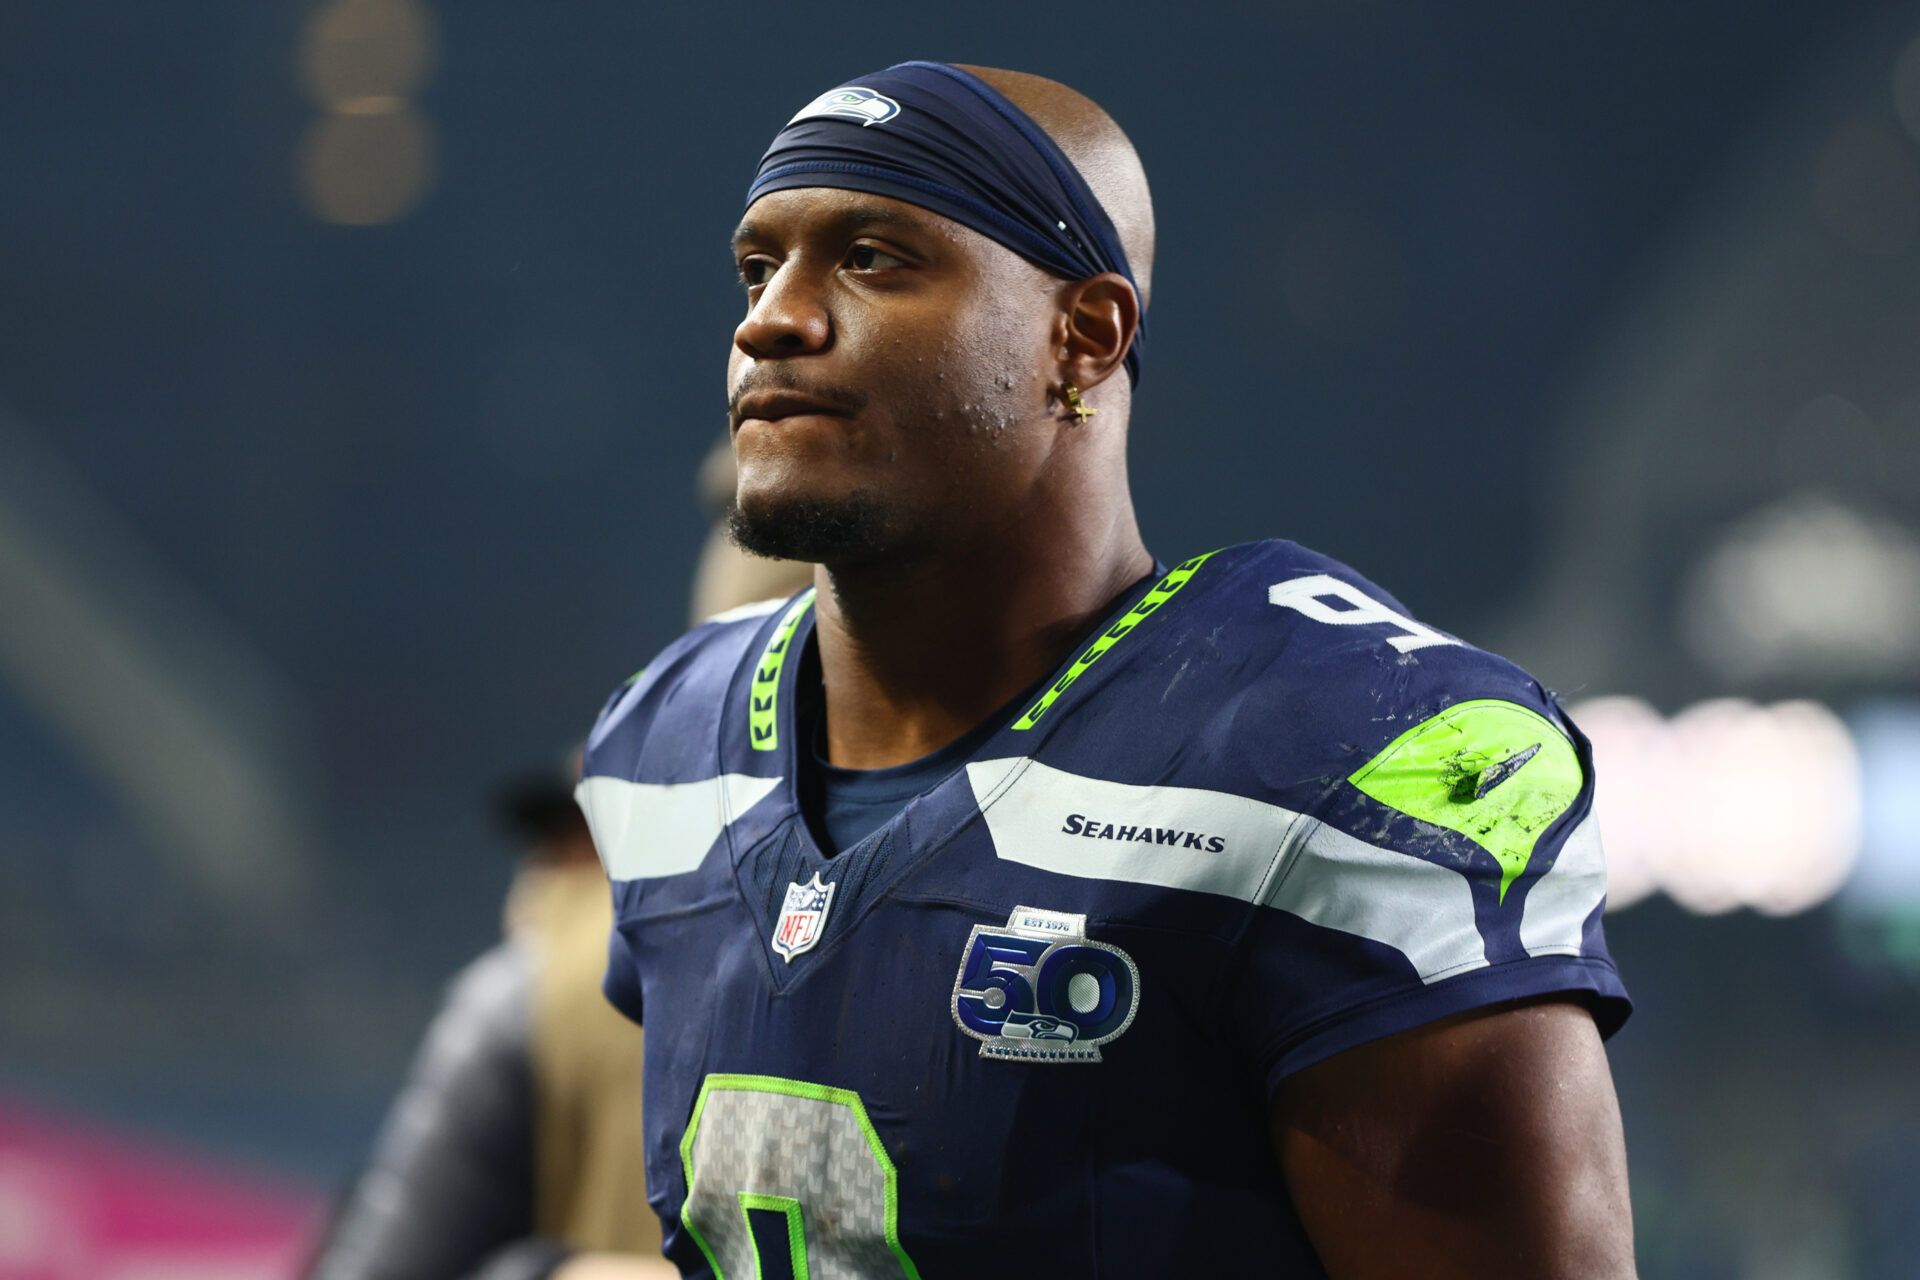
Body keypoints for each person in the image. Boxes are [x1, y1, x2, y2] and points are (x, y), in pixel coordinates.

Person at [577, 61, 1635, 1279]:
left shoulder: (1333, 743)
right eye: (760, 268)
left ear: (1084, 336)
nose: (772, 318)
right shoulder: (659, 743)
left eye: (872, 257)